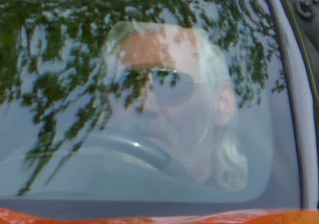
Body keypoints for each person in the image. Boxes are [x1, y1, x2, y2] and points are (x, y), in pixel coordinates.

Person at [106, 20, 250, 193]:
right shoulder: (74, 205)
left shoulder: (250, 212)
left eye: (170, 83)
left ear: (222, 103)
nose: (145, 106)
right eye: (128, 84)